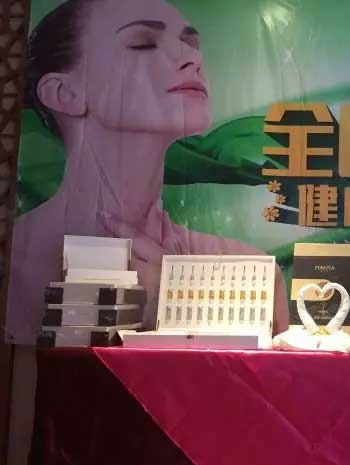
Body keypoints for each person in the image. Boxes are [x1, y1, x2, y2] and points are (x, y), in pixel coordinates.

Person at [6, 0, 289, 343]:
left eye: (191, 44)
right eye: (142, 43)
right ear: (64, 93)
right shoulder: (13, 265)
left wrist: (176, 299)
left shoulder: (251, 272)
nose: (192, 58)